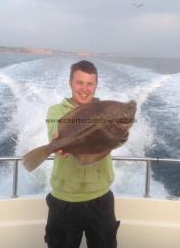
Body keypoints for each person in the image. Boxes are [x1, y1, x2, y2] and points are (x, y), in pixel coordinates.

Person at [44, 60, 120, 248]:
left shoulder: (107, 111)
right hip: (64, 201)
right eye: (79, 82)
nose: (84, 88)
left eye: (90, 83)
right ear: (70, 83)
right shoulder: (55, 111)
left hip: (101, 199)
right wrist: (60, 140)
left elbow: (116, 135)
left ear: (96, 86)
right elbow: (54, 130)